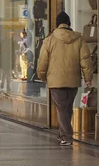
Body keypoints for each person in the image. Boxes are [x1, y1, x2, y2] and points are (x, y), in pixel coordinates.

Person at [37, 12, 93, 146]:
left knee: (62, 109)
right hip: (73, 79)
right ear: (69, 23)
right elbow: (85, 60)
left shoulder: (49, 39)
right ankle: (62, 134)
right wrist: (88, 78)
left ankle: (67, 137)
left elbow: (42, 61)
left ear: (57, 24)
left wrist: (42, 76)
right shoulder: (79, 39)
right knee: (67, 108)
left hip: (55, 80)